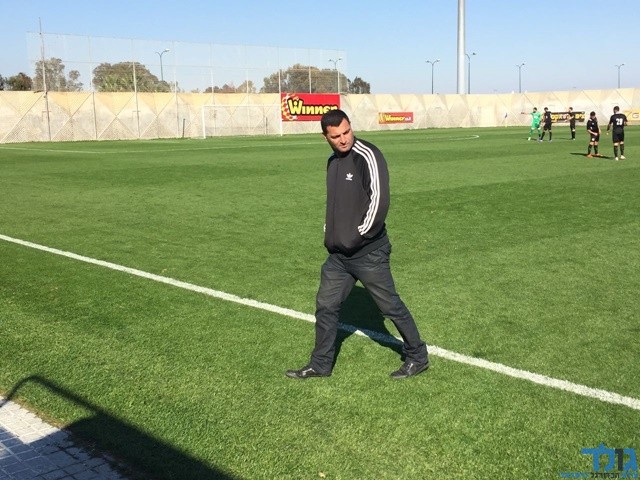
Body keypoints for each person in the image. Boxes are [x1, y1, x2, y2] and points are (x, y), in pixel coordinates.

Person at [285, 109, 429, 380]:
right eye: (336, 136)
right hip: (339, 256)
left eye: (347, 131)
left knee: (390, 307)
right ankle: (320, 364)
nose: (343, 139)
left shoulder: (368, 155)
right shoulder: (332, 162)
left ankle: (418, 356)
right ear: (325, 137)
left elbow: (380, 201)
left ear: (351, 126)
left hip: (368, 252)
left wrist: (358, 234)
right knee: (326, 306)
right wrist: (331, 231)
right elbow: (336, 203)